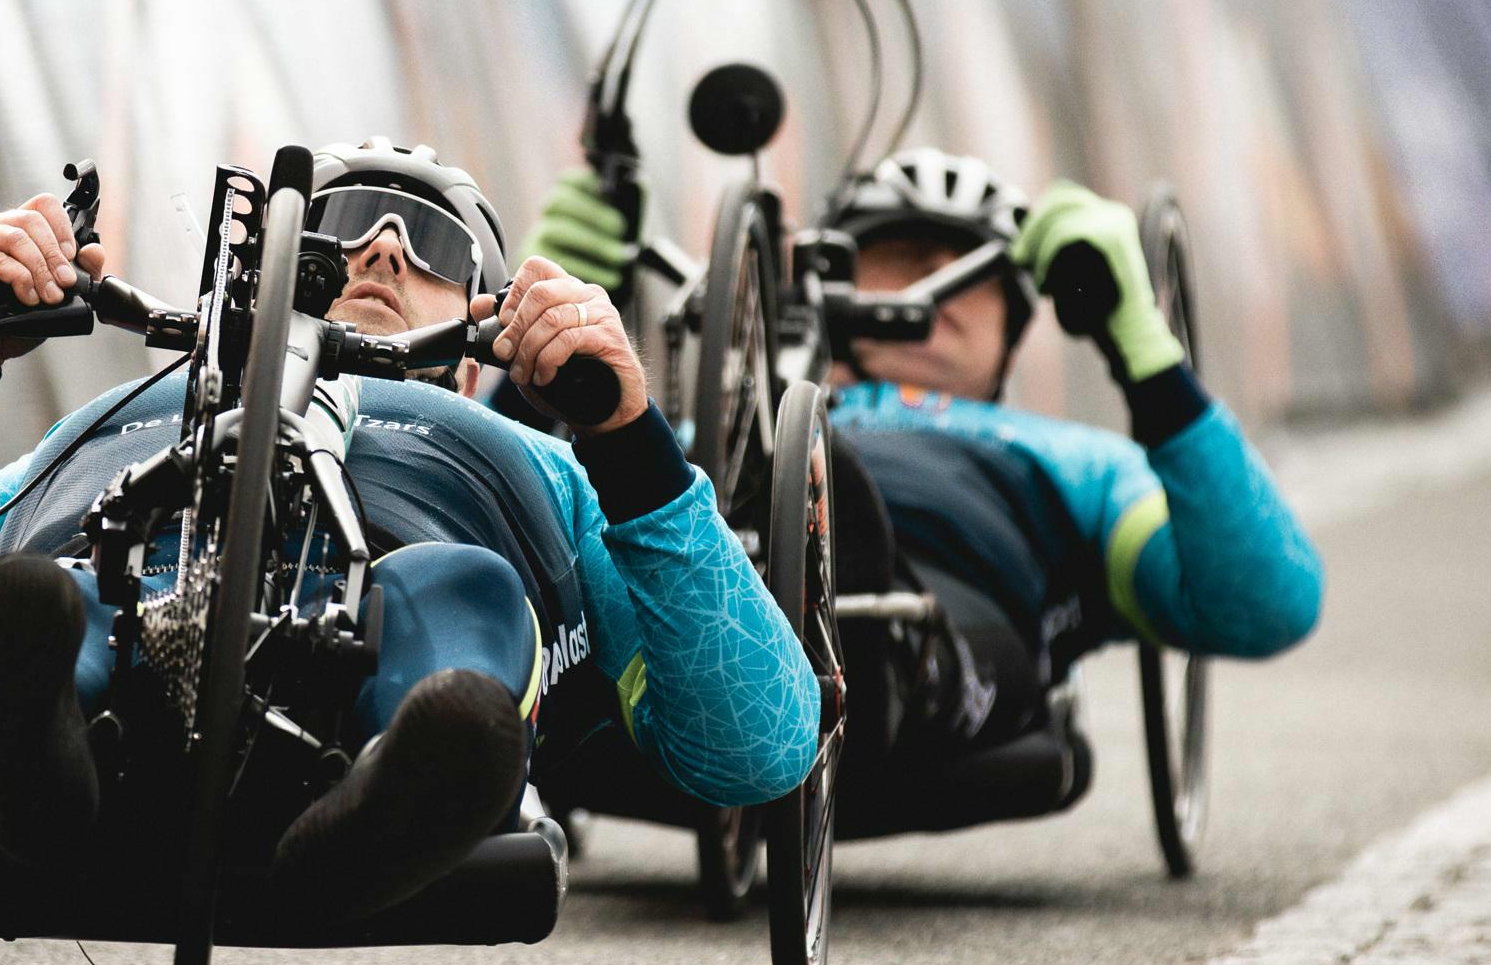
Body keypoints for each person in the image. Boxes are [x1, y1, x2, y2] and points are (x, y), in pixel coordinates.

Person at [0, 139, 816, 921]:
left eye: (433, 240)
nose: (382, 253)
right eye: (335, 230)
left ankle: (404, 783)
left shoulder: (546, 465)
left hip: (374, 690)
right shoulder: (110, 423)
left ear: (481, 341)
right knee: (44, 597)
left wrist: (628, 438)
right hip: (117, 669)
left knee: (467, 592)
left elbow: (758, 748)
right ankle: (37, 758)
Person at [523, 149, 1324, 828]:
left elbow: (1268, 603)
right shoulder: (699, 443)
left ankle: (856, 621)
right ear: (830, 286)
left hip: (943, 614)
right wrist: (540, 344)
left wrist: (1145, 351)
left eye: (965, 269)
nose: (934, 284)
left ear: (1015, 323)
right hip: (713, 571)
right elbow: (519, 513)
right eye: (904, 253)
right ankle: (764, 599)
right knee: (620, 509)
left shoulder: (1078, 458)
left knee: (835, 516)